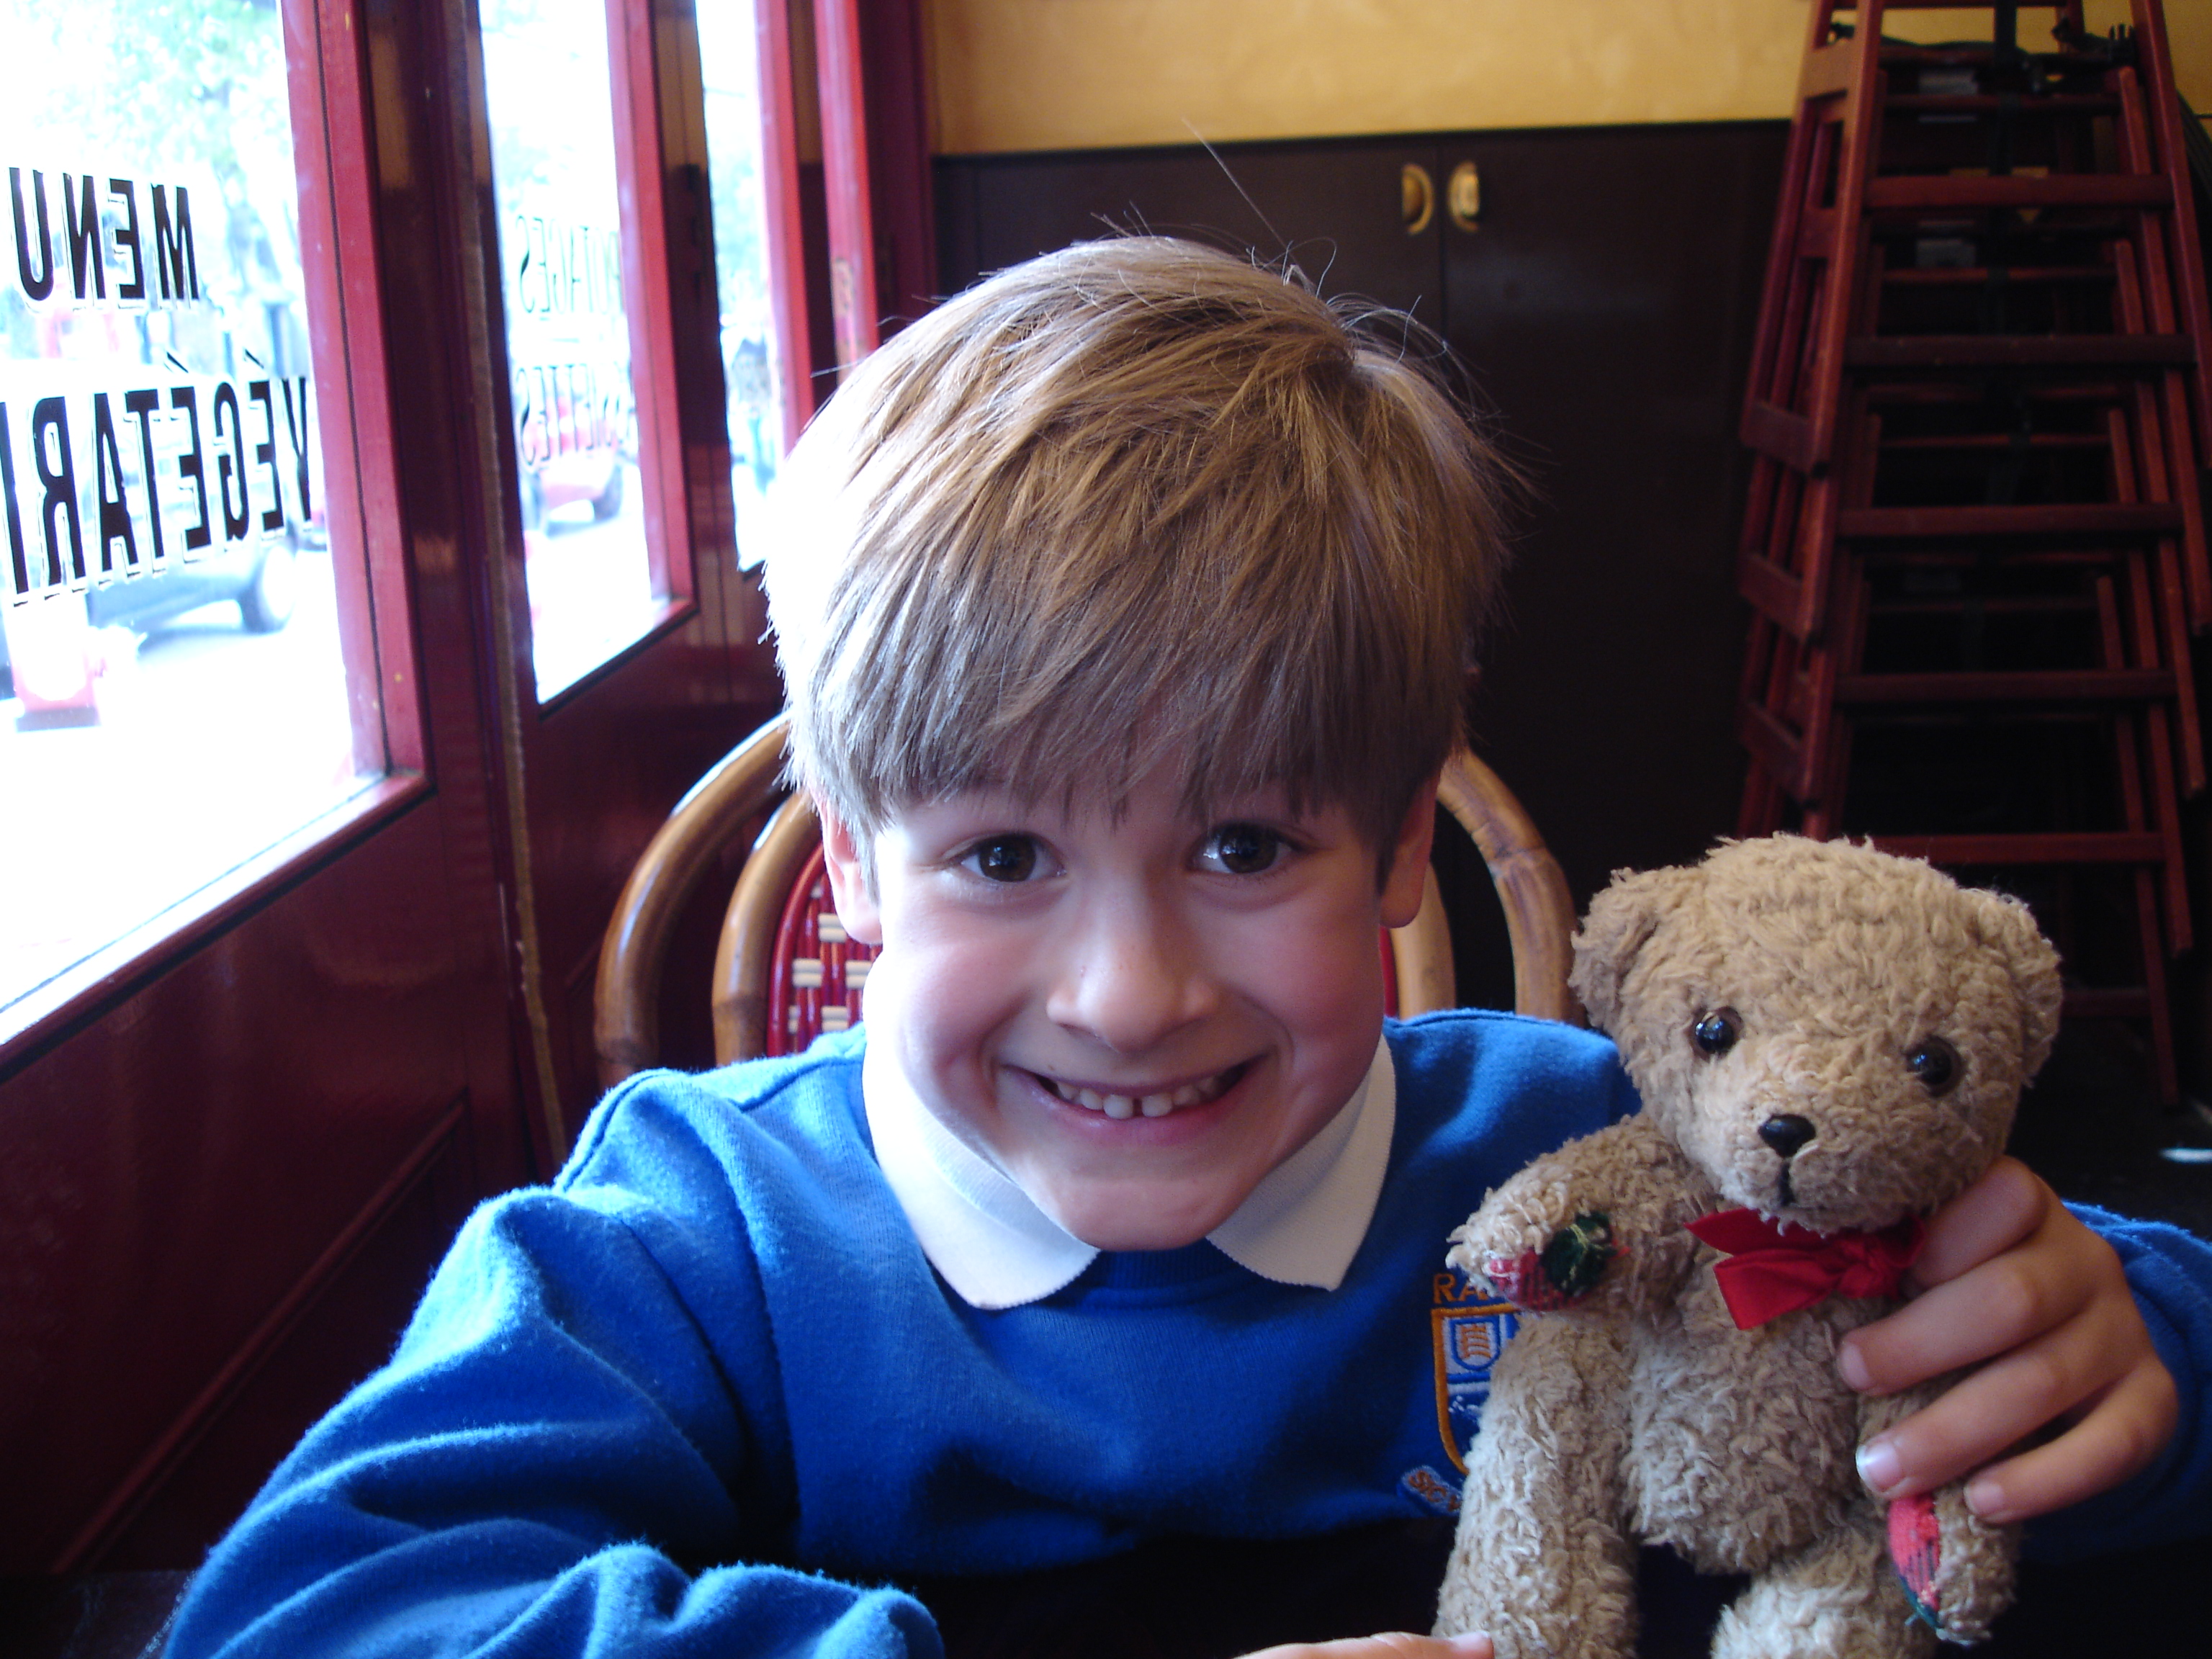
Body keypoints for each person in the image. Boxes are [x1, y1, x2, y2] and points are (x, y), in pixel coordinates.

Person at [165, 238, 2211, 1659]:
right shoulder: (697, 1236)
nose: (1128, 995)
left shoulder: (1586, 1155)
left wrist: (2123, 1364)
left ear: (1396, 846)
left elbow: (2102, 1333)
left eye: (1243, 844)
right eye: (999, 856)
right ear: (855, 873)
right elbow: (307, 1615)